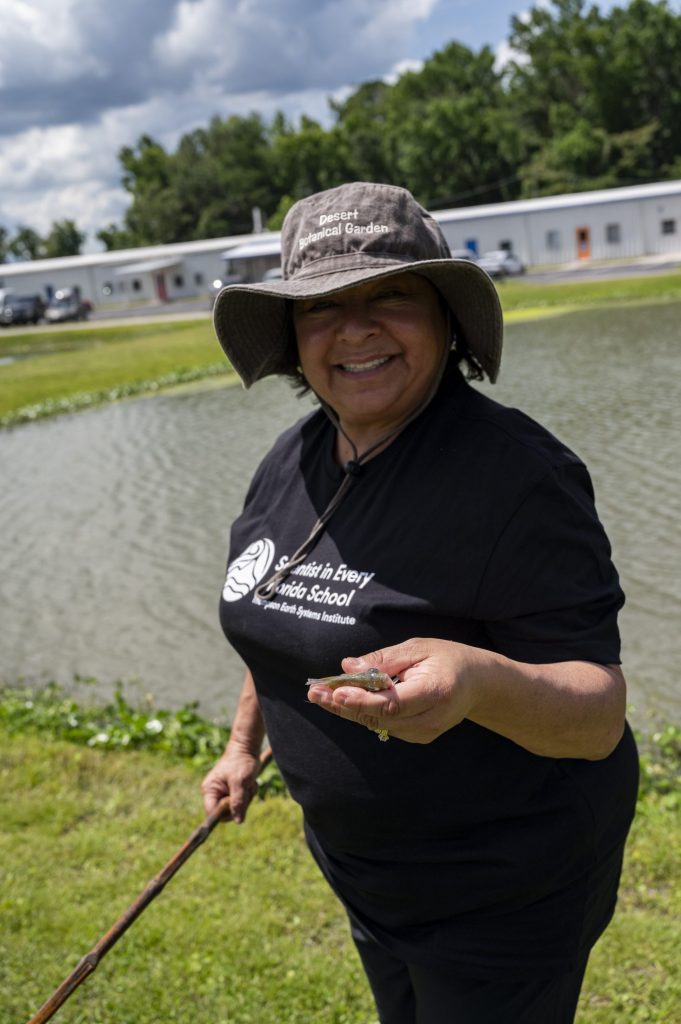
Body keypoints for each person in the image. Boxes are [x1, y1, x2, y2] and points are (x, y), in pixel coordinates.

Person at [201, 182, 639, 1024]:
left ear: (444, 318)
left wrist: (474, 680)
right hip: (368, 875)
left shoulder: (518, 479)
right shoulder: (290, 460)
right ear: (294, 339)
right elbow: (280, 618)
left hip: (503, 894)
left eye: (389, 296)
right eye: (321, 306)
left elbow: (597, 717)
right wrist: (239, 747)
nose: (354, 327)